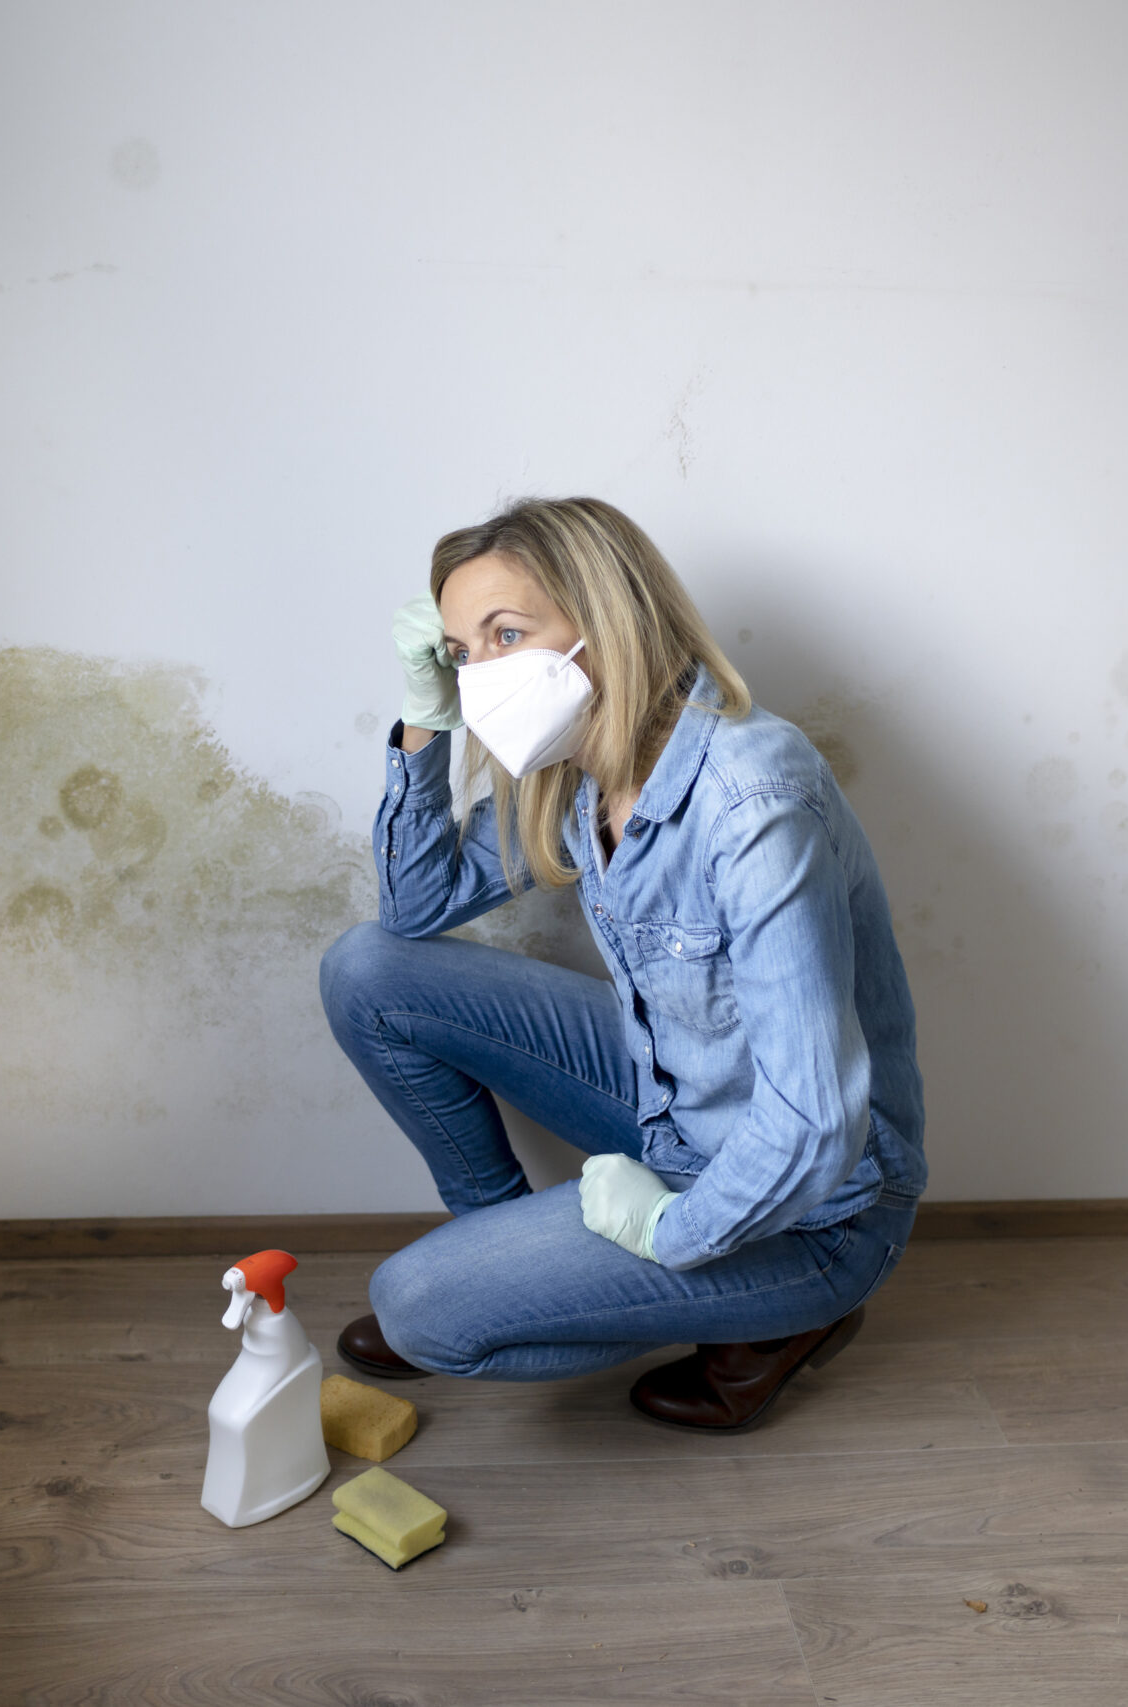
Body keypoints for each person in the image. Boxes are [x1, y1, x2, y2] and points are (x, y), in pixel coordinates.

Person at [318, 496, 925, 1432]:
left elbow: (813, 1124)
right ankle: (498, 1240)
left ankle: (780, 1311)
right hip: (672, 1102)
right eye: (459, 653)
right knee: (366, 970)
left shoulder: (752, 800)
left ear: (607, 623)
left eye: (507, 634)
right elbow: (411, 907)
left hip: (813, 1210)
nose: (481, 675)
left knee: (419, 1308)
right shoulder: (575, 772)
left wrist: (667, 1231)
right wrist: (422, 717)